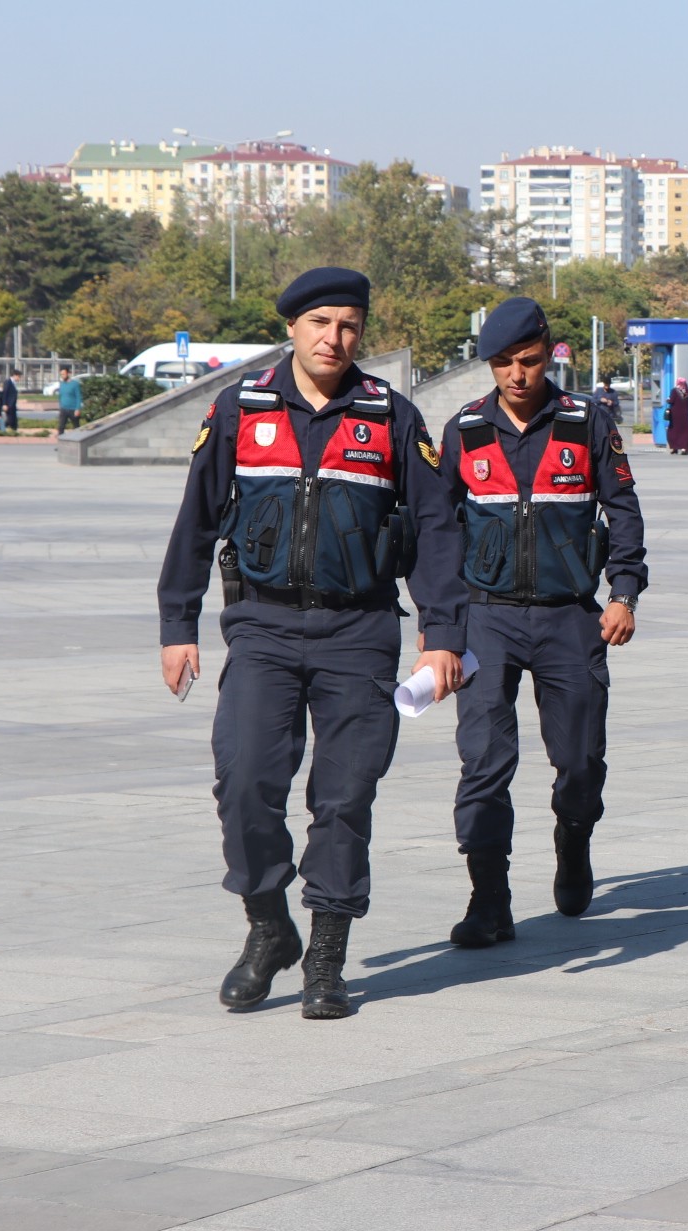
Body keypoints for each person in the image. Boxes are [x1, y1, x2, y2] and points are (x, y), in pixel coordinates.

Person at [156, 267, 467, 1020]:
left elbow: (434, 528)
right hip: (261, 626)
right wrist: (177, 625)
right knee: (245, 783)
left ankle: (327, 953)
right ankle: (269, 925)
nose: (335, 337)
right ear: (291, 327)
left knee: (344, 797)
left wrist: (442, 634)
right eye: (321, 322)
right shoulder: (242, 408)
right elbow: (197, 519)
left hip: (359, 633)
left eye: (350, 325)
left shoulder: (390, 415)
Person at [436, 298, 648, 939]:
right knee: (484, 762)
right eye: (502, 364)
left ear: (550, 353)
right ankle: (488, 899)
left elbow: (625, 510)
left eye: (527, 362)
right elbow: (438, 530)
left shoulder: (588, 421)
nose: (516, 376)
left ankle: (573, 838)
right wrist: (439, 627)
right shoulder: (464, 429)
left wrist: (625, 592)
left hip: (569, 619)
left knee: (581, 763)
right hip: (487, 620)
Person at [666, 377, 688, 454]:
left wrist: (667, 399)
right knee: (685, 431)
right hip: (685, 415)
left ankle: (675, 448)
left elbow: (671, 401)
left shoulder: (674, 391)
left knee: (674, 431)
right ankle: (684, 448)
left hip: (675, 415)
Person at [56, 368, 84, 435]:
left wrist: (78, 409)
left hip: (73, 409)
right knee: (61, 427)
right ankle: (61, 441)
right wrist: (60, 406)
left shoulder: (75, 384)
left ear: (68, 374)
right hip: (63, 409)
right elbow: (60, 396)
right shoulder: (61, 384)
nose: (62, 376)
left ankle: (78, 440)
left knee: (76, 427)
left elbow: (78, 397)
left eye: (64, 374)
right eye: (61, 374)